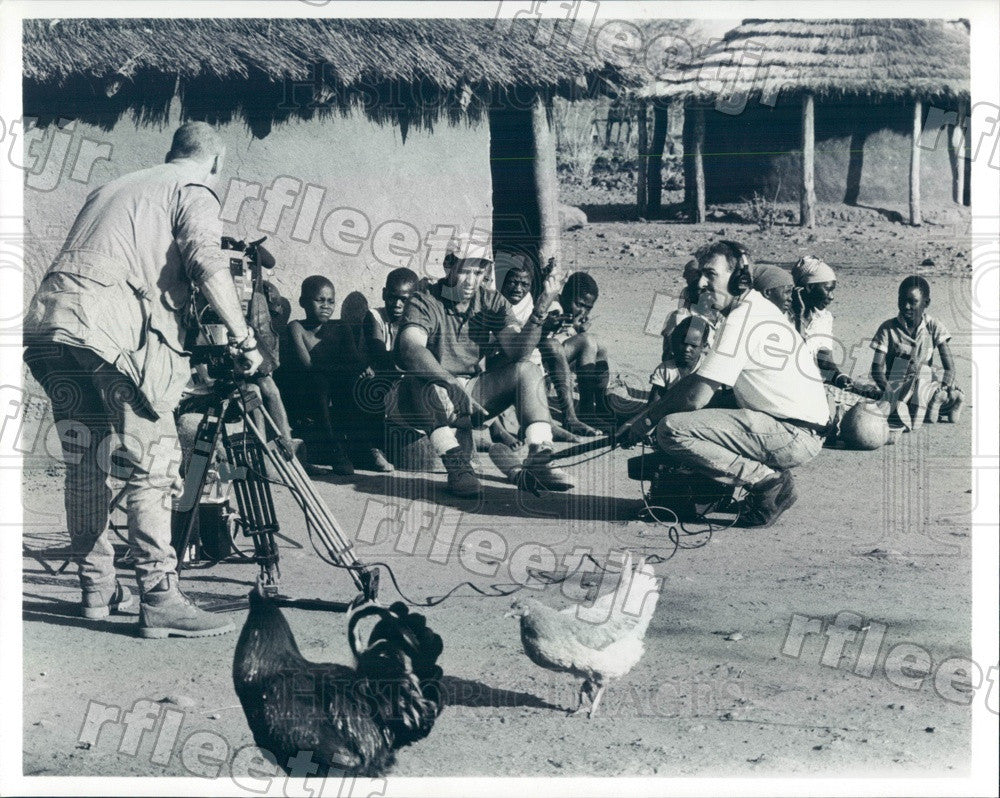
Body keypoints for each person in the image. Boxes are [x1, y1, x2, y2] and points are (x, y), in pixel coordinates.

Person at [22, 122, 262, 637]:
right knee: (151, 463)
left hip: (51, 325)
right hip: (111, 332)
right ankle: (159, 597)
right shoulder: (192, 188)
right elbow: (206, 262)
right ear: (216, 163)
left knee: (86, 461)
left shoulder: (114, 187)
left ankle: (96, 587)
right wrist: (245, 340)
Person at [616, 240, 831, 528]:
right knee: (684, 420)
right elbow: (697, 380)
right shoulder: (753, 310)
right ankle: (737, 486)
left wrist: (648, 420)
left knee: (672, 430)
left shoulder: (743, 319)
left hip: (792, 434)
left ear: (739, 277)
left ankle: (767, 482)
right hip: (794, 429)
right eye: (701, 274)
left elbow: (696, 397)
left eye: (711, 274)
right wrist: (644, 416)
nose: (702, 282)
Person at [391, 235, 575, 497]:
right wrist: (449, 381)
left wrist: (542, 307)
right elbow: (410, 349)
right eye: (466, 270)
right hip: (425, 395)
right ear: (448, 265)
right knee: (418, 379)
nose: (472, 280)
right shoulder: (424, 300)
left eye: (479, 271)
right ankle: (457, 466)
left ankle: (539, 457)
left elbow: (517, 351)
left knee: (528, 370)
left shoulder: (492, 302)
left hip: (470, 395)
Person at [279, 275, 362, 475]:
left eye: (331, 301)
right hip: (306, 390)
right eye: (320, 300)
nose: (326, 306)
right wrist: (338, 369)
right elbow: (307, 367)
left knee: (358, 384)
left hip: (335, 384)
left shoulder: (341, 327)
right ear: (303, 302)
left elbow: (354, 363)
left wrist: (349, 370)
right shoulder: (296, 328)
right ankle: (334, 450)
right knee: (320, 382)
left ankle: (362, 449)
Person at [870, 275, 963, 428]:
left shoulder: (934, 326)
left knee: (926, 374)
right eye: (902, 301)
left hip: (925, 381)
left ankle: (945, 399)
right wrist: (889, 393)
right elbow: (876, 369)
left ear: (926, 303)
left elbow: (949, 367)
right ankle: (942, 402)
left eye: (912, 302)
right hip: (897, 384)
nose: (906, 306)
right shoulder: (888, 328)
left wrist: (946, 385)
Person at [354, 267, 423, 471]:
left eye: (404, 299)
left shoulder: (419, 321)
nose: (397, 304)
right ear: (384, 294)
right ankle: (372, 449)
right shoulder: (374, 317)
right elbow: (379, 355)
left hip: (401, 379)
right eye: (392, 298)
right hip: (379, 377)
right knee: (375, 385)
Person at [538, 271, 609, 433]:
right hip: (543, 361)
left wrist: (578, 329)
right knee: (587, 340)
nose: (583, 311)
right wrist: (576, 331)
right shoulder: (554, 305)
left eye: (588, 308)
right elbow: (547, 333)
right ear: (565, 295)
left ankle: (600, 404)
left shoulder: (574, 313)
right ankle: (585, 411)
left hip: (560, 360)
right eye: (579, 304)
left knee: (599, 344)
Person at [791, 255, 852, 390]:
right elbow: (795, 358)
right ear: (809, 288)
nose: (832, 297)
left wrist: (838, 376)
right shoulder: (783, 315)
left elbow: (823, 357)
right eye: (828, 289)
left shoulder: (823, 318)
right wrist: (799, 317)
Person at [647, 315, 710, 406]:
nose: (687, 349)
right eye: (683, 343)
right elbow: (653, 404)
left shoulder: (707, 367)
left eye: (693, 345)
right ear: (675, 341)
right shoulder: (665, 370)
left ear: (704, 346)